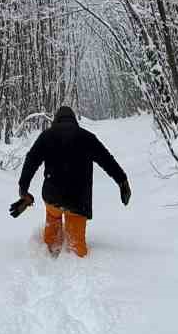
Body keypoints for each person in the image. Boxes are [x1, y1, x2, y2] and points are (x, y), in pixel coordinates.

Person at [9, 105, 130, 258]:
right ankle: (75, 257)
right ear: (74, 120)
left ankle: (50, 250)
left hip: (52, 198)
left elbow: (31, 161)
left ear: (56, 120)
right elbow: (107, 160)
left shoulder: (47, 136)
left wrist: (23, 190)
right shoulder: (87, 137)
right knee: (76, 249)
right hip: (78, 202)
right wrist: (122, 181)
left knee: (52, 225)